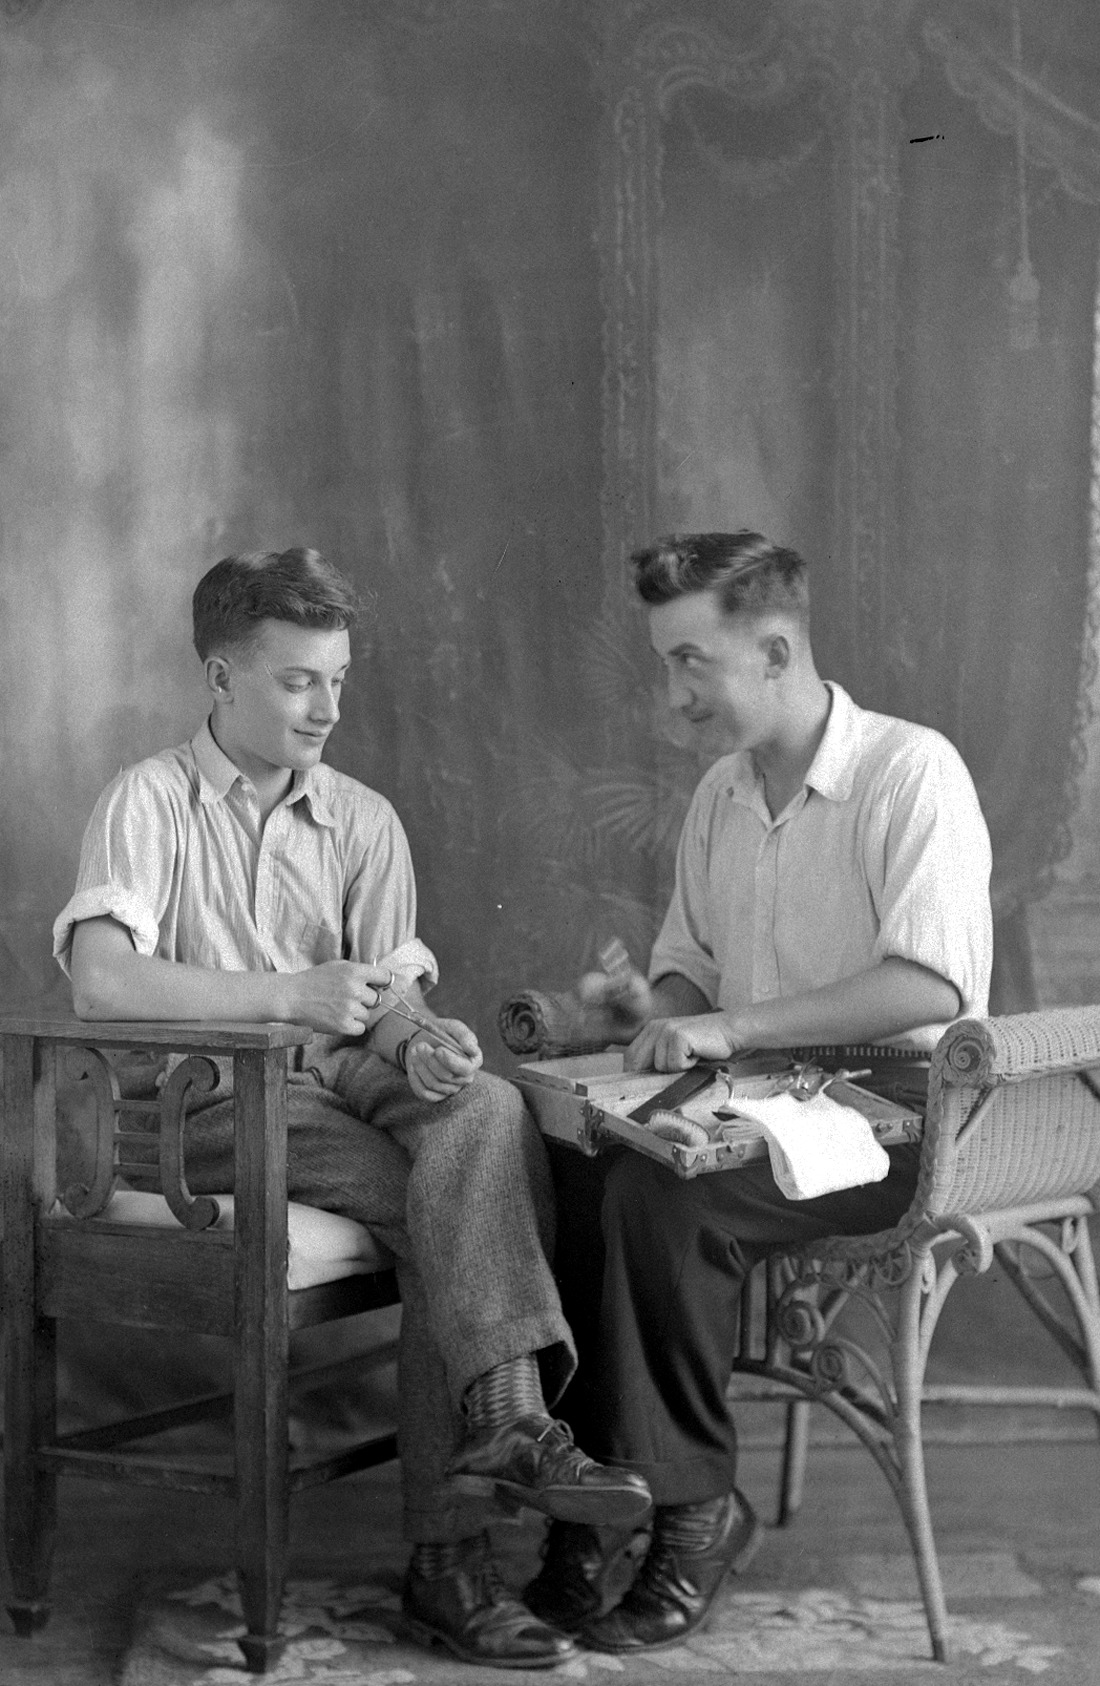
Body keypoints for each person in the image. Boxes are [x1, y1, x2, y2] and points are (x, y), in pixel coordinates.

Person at [53, 547, 651, 1671]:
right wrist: (292, 993)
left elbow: (383, 1000)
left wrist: (424, 1042)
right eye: (296, 681)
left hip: (338, 1092)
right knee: (459, 1200)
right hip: (197, 1111)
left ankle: (501, 1437)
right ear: (221, 678)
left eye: (337, 677)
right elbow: (102, 978)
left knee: (475, 1110)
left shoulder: (363, 819)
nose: (327, 705)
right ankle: (456, 1554)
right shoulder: (148, 799)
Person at [522, 530, 993, 1654]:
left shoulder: (907, 769)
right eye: (667, 662)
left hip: (900, 1116)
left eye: (692, 661)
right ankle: (596, 1504)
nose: (673, 692)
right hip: (762, 1102)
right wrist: (647, 1002)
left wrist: (728, 1023)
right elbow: (692, 976)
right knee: (566, 1164)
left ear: (775, 649)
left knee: (664, 1202)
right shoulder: (721, 794)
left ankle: (694, 1511)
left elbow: (926, 979)